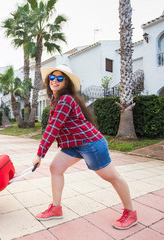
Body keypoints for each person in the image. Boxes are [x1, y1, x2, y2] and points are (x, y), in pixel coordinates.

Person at [32, 64, 138, 230]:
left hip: (91, 145)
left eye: (60, 78)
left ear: (66, 82)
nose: (55, 80)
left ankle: (130, 213)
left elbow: (53, 127)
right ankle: (56, 208)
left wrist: (40, 154)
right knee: (56, 168)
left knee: (112, 177)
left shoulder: (66, 100)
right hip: (74, 145)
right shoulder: (57, 99)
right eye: (52, 77)